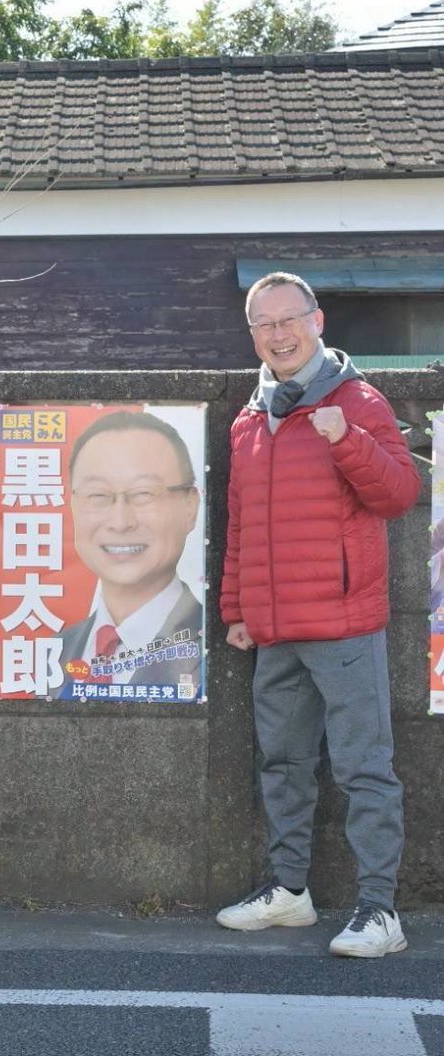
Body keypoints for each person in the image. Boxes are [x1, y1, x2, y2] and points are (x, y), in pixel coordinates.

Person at [217, 271, 420, 958]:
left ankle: (380, 911)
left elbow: (398, 493)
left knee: (365, 768)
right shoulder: (250, 418)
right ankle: (289, 893)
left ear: (318, 320)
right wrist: (237, 608)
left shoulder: (359, 401)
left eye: (288, 319)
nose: (278, 334)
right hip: (274, 631)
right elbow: (241, 520)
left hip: (343, 624)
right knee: (282, 763)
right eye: (264, 324)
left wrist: (345, 440)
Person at [59, 411, 203, 698]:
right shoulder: (54, 650)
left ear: (190, 506)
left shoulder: (212, 642)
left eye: (143, 494)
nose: (121, 522)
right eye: (98, 495)